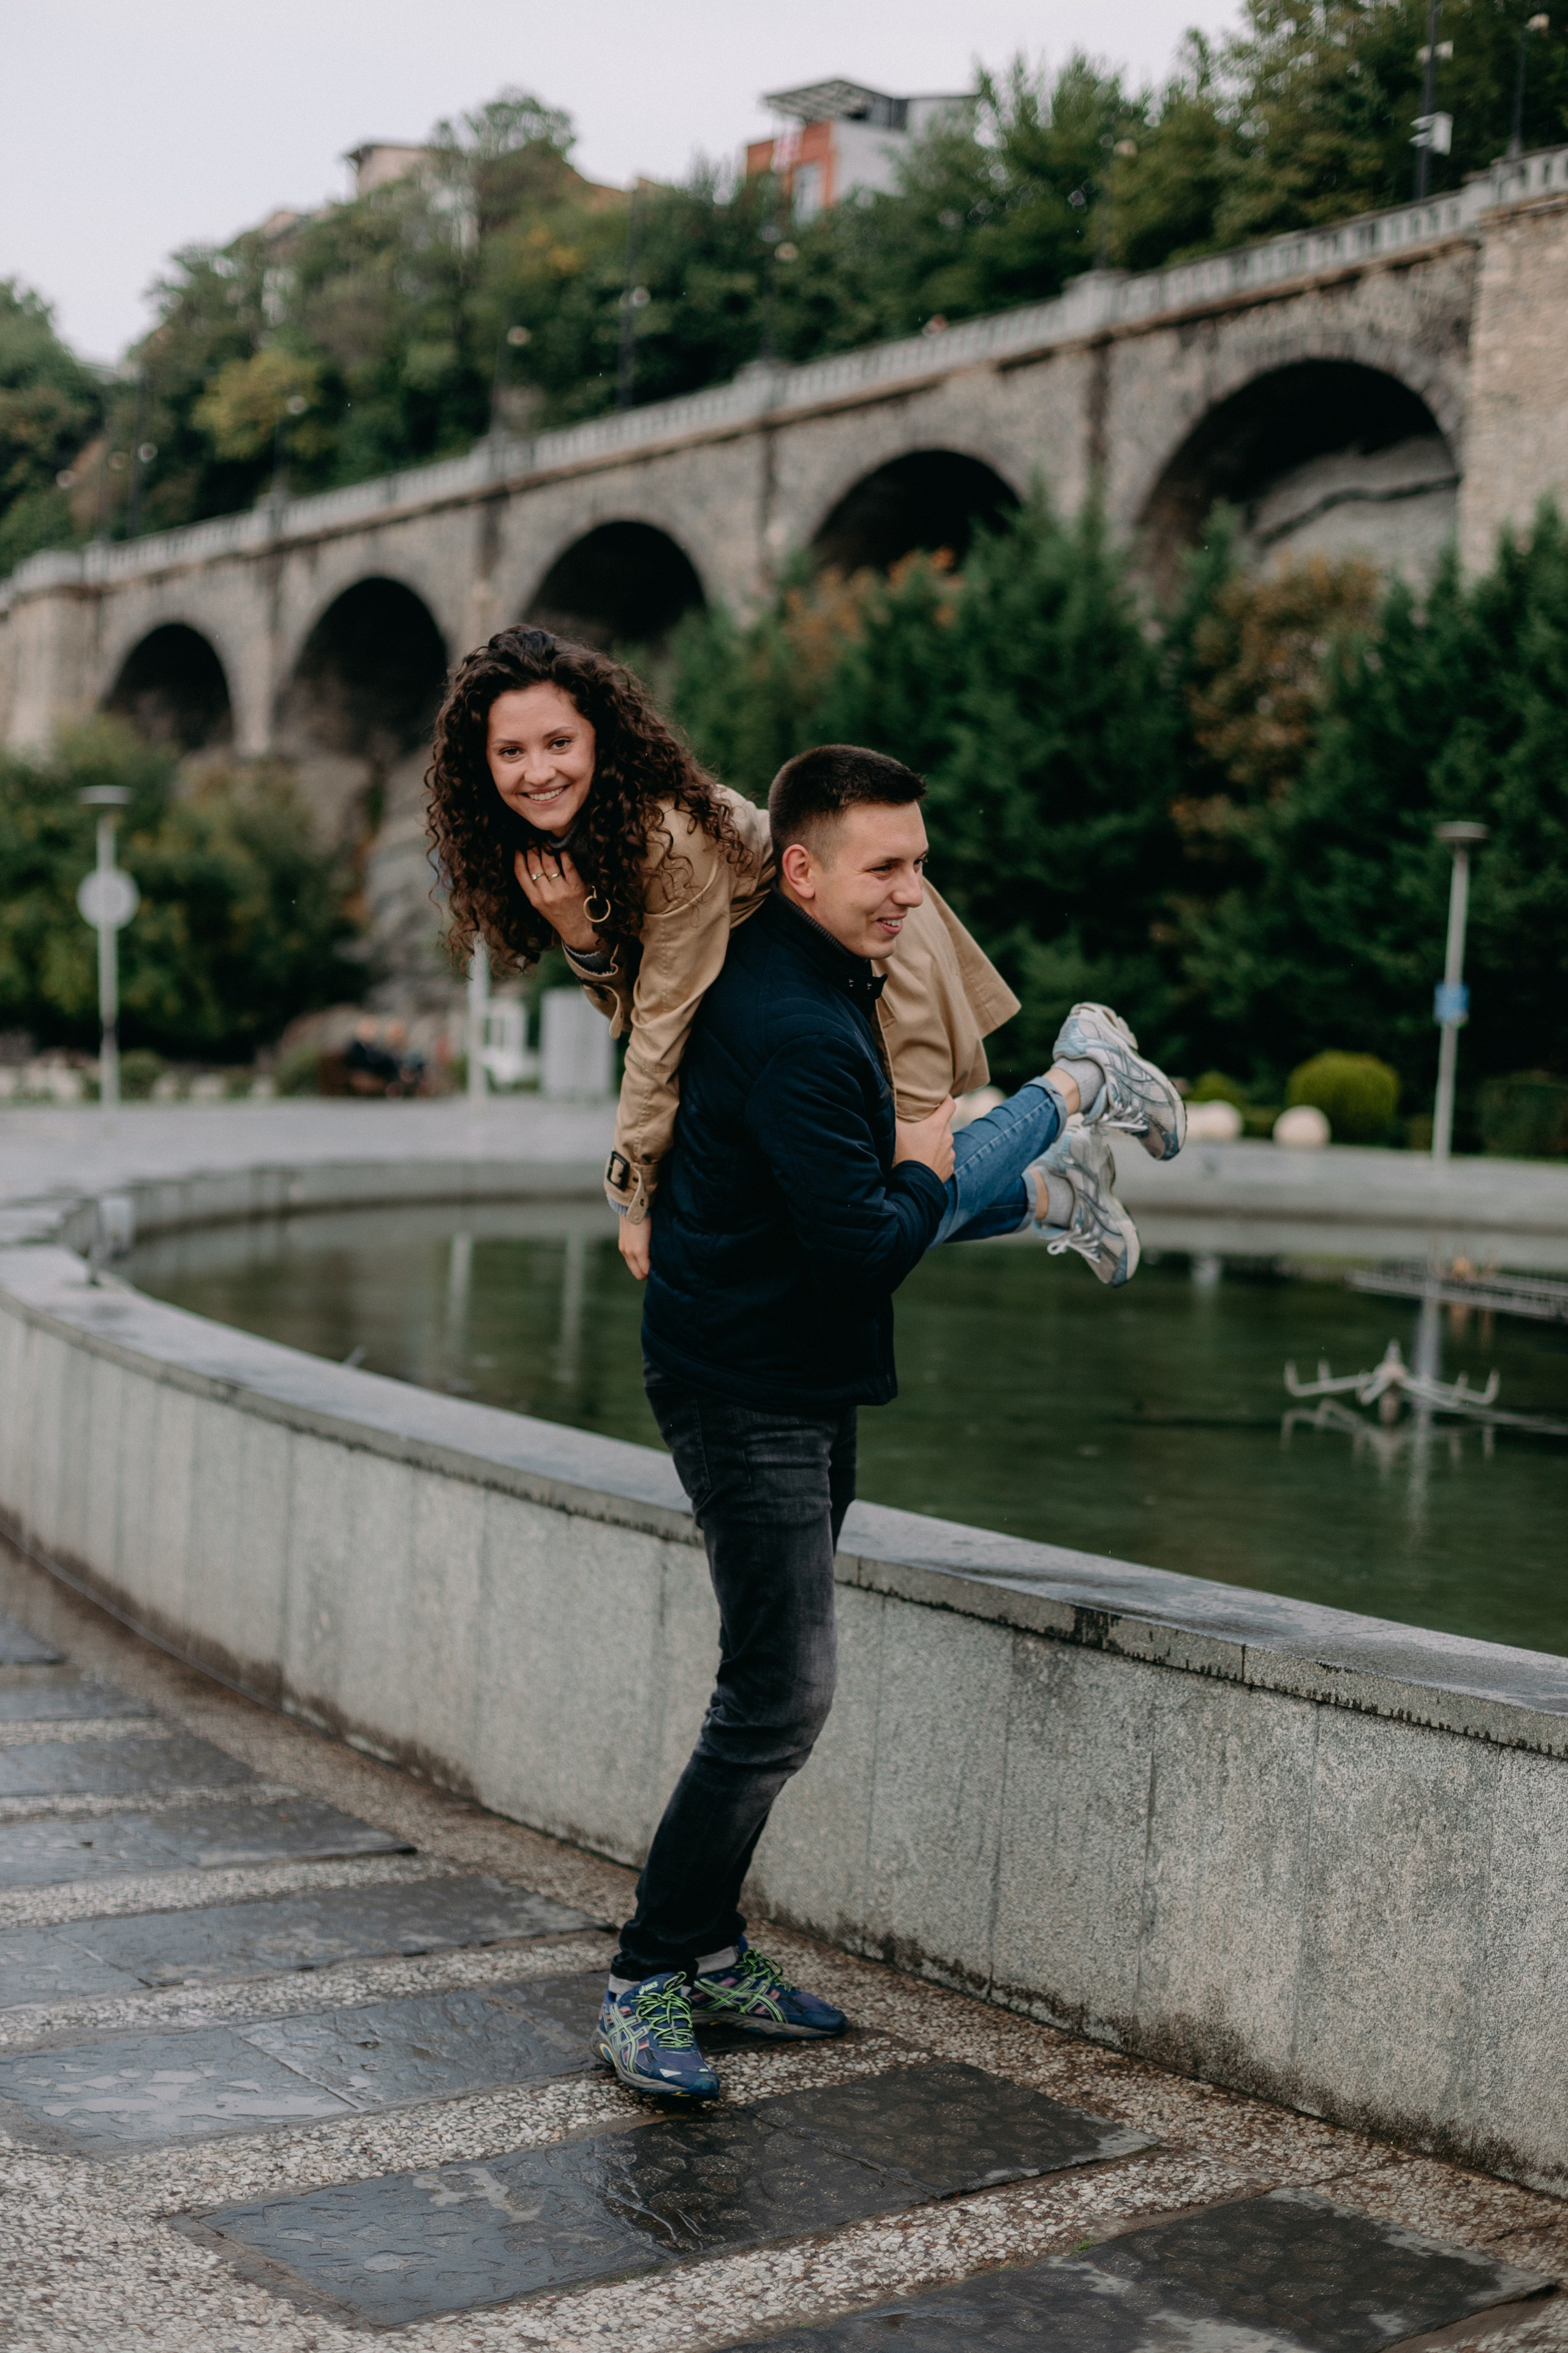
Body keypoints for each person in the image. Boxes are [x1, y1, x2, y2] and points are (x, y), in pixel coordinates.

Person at [590, 746, 1186, 2100]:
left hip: (785, 1369)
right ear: (797, 869)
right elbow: (860, 1246)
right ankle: (645, 1976)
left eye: (918, 862)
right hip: (747, 1389)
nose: (913, 893)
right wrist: (948, 1160)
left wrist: (928, 1174)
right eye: (888, 867)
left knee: (764, 1684)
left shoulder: (816, 985)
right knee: (777, 1696)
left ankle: (707, 1948)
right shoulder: (801, 1028)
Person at [426, 625, 1182, 1284]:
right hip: (782, 984)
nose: (538, 771)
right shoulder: (571, 841)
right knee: (810, 1212)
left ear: (599, 736)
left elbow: (659, 1021)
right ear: (480, 764)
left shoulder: (665, 838)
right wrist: (580, 933)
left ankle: (1083, 1076)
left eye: (559, 743)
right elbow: (635, 998)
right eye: (511, 752)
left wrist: (631, 1194)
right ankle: (1059, 1194)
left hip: (865, 957)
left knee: (877, 1202)